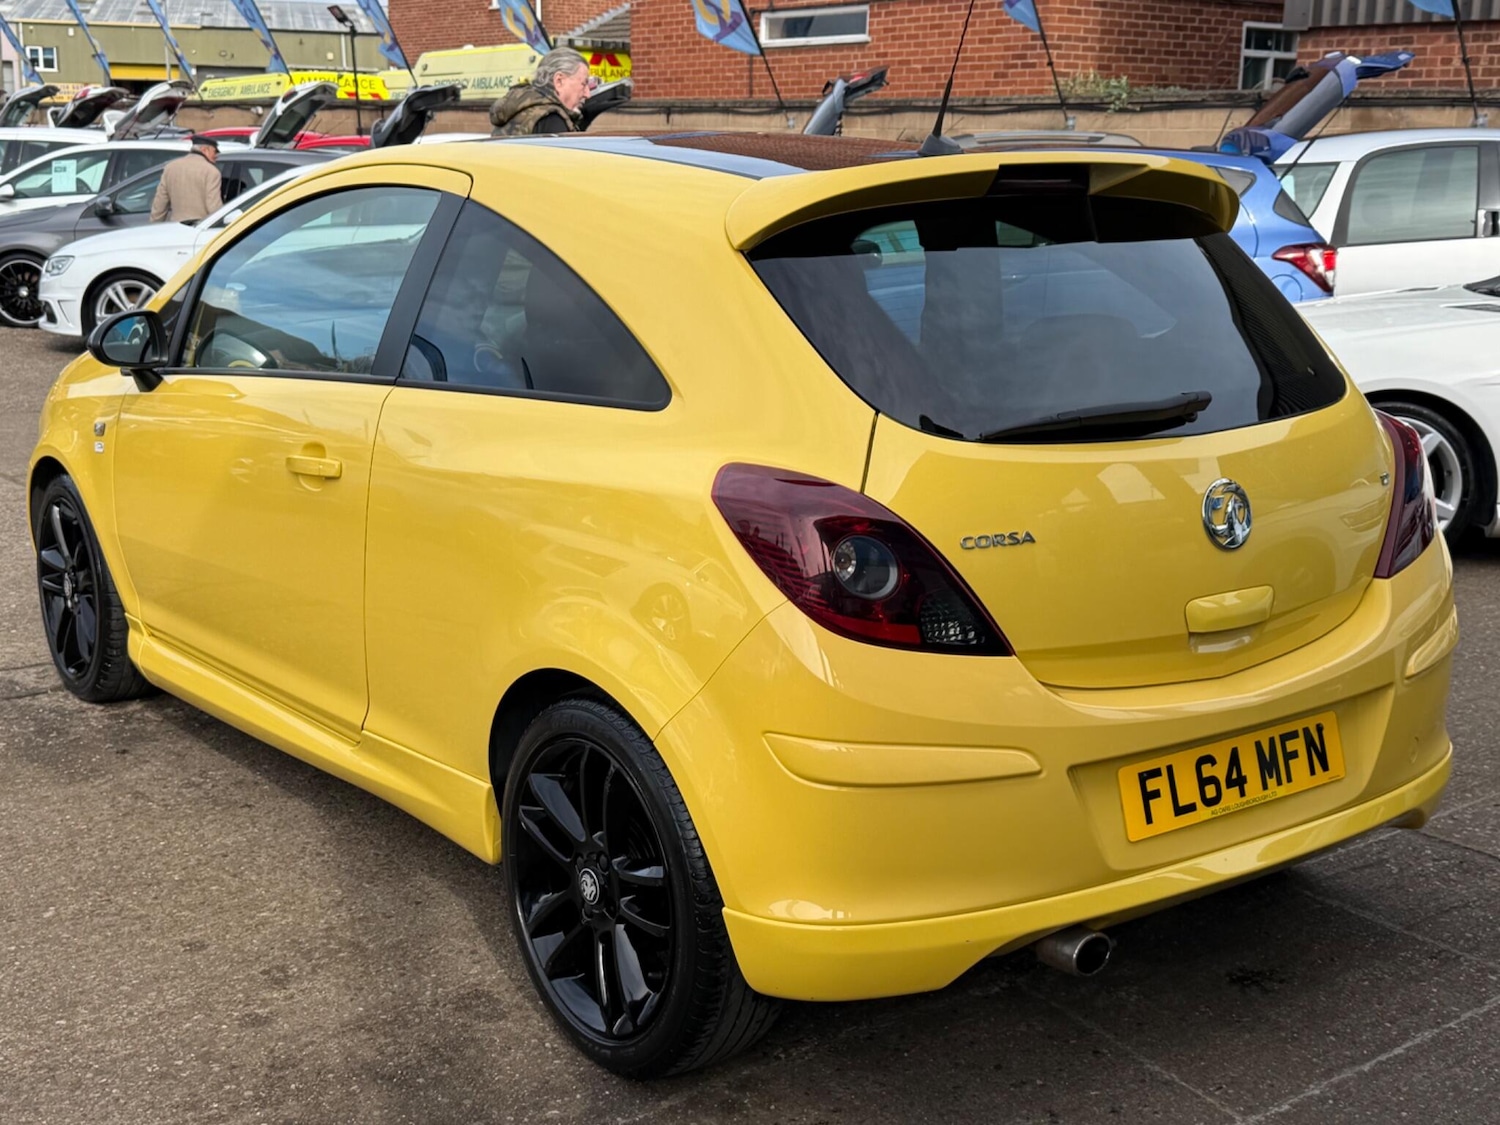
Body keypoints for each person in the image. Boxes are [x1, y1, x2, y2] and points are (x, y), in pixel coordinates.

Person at [489, 48, 594, 136]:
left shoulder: (518, 111)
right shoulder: (551, 120)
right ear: (559, 81)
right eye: (583, 84)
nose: (587, 94)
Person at [150, 136, 222, 224]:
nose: (216, 156)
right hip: (200, 226)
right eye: (214, 152)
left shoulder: (170, 167)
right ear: (205, 150)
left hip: (176, 226)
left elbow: (160, 202)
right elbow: (213, 205)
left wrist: (154, 225)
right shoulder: (211, 171)